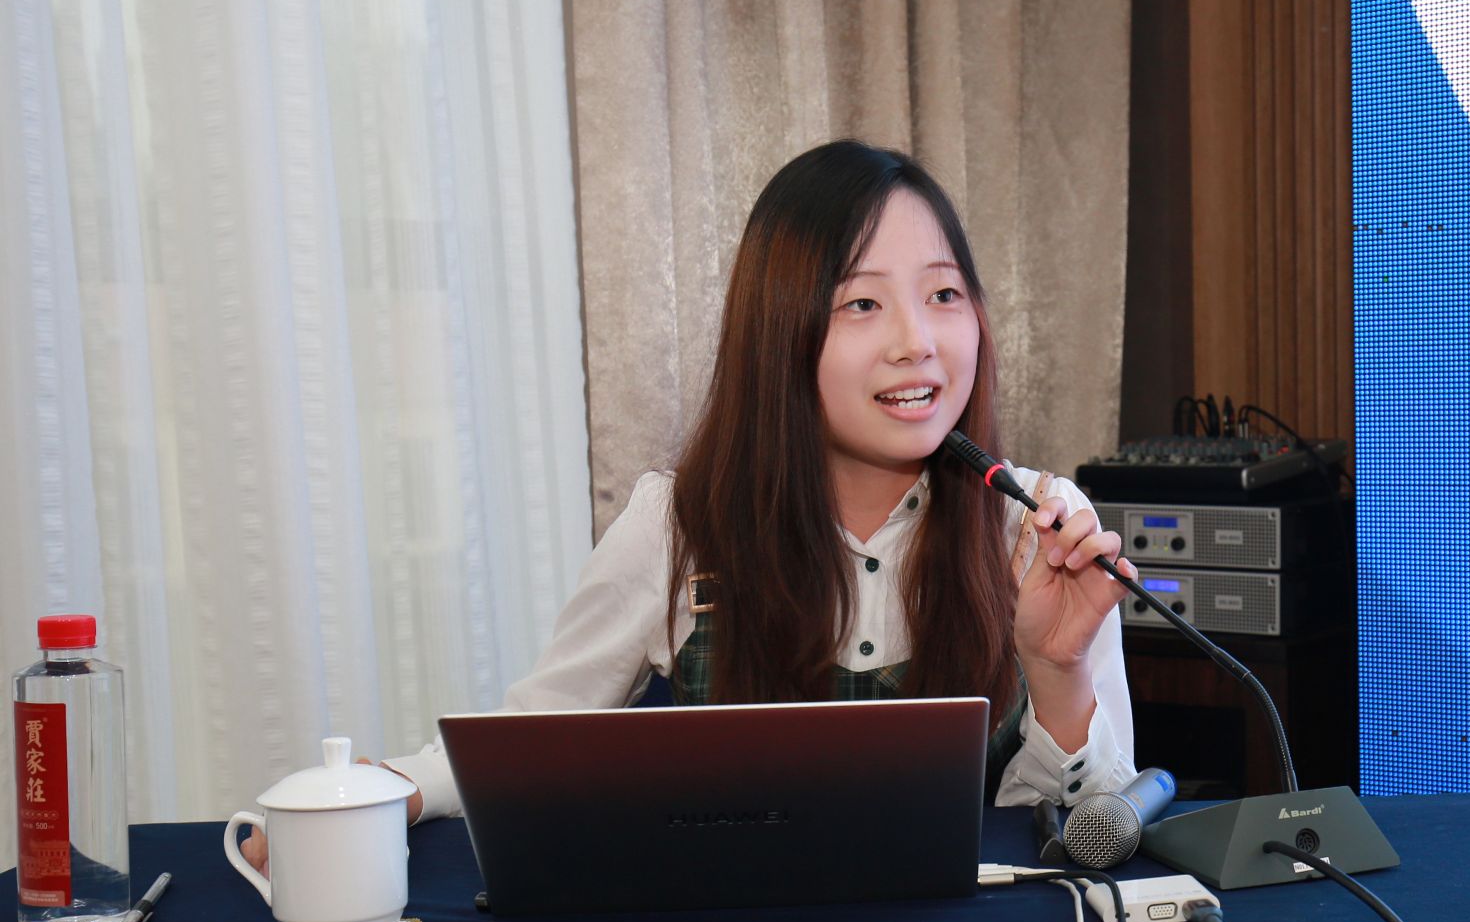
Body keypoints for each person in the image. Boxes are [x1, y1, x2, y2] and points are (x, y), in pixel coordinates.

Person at [244, 140, 1137, 869]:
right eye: (862, 303)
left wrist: (1057, 672)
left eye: (943, 295)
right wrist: (384, 792)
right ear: (778, 334)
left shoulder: (1039, 525)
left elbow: (1094, 832)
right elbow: (533, 741)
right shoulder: (678, 524)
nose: (918, 342)